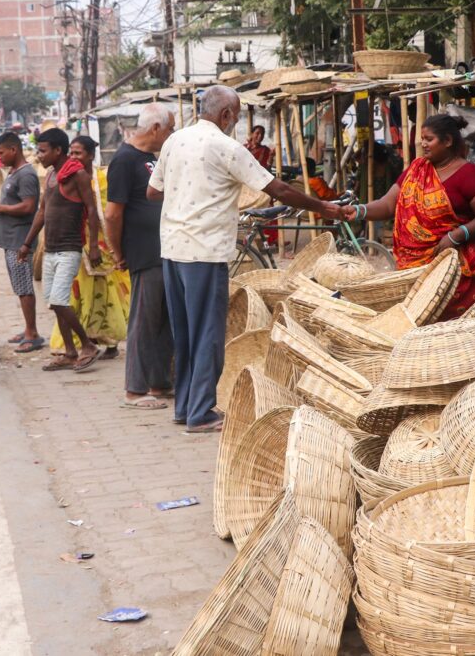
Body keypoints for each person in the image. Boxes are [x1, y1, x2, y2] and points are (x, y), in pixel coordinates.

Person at [147, 85, 344, 432]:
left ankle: (185, 407)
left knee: (186, 335)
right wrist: (322, 206)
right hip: (204, 251)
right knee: (208, 333)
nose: (236, 122)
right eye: (236, 116)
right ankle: (200, 412)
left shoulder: (174, 141)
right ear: (225, 115)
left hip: (173, 250)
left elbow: (153, 190)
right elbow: (278, 189)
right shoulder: (226, 147)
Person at [343, 114, 475, 320]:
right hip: (416, 272)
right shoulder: (417, 170)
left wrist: (456, 236)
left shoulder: (470, 174)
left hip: (458, 273)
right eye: (422, 139)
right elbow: (389, 203)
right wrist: (359, 211)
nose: (423, 144)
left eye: (429, 139)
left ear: (447, 141)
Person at [107, 104, 176, 409]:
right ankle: (134, 389)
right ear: (156, 128)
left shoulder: (150, 159)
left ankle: (158, 383)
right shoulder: (124, 160)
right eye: (171, 128)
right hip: (144, 253)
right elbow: (113, 214)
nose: (172, 134)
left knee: (163, 322)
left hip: (163, 250)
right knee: (143, 322)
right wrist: (118, 252)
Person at [17, 129, 101, 371]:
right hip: (51, 249)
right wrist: (27, 243)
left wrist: (93, 246)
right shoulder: (52, 175)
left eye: (43, 151)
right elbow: (42, 212)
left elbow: (92, 211)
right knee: (54, 303)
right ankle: (70, 351)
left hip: (69, 248)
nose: (39, 155)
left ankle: (88, 345)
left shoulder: (78, 175)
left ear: (57, 151)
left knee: (59, 300)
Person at [50, 135, 131, 362]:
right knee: (77, 293)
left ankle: (110, 341)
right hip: (75, 244)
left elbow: (109, 212)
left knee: (107, 293)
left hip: (103, 248)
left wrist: (98, 245)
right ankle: (80, 342)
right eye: (72, 153)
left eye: (79, 153)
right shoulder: (66, 176)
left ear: (91, 155)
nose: (74, 157)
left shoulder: (103, 179)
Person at [0, 132, 43, 353]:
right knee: (20, 287)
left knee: (25, 287)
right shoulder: (14, 173)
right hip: (11, 240)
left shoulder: (26, 175)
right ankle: (29, 328)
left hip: (20, 241)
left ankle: (32, 333)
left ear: (13, 150)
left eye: (1, 153)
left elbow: (29, 207)